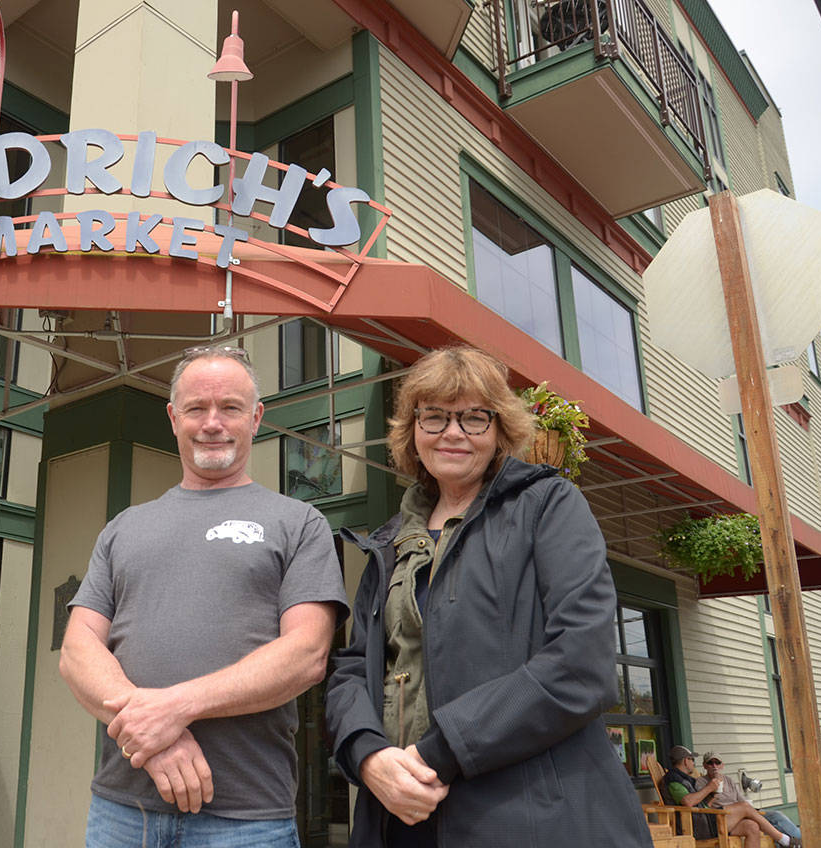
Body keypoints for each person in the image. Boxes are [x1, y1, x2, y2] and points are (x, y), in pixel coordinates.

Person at [325, 345, 652, 847]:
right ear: (413, 430)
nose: (452, 432)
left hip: (525, 819)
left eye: (474, 418)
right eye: (434, 417)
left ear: (500, 430)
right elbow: (351, 668)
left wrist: (439, 752)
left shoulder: (548, 506)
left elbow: (581, 663)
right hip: (398, 818)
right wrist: (368, 757)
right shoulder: (390, 542)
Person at [59, 345, 349, 847]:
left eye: (230, 408)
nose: (212, 422)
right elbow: (76, 650)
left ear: (256, 418)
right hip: (122, 814)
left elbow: (306, 655)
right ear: (174, 418)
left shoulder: (299, 524)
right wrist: (155, 737)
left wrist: (174, 709)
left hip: (247, 819)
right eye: (196, 408)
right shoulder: (123, 528)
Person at [662, 746, 800, 848]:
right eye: (692, 760)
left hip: (708, 819)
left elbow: (702, 804)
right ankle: (785, 840)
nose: (693, 763)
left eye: (717, 763)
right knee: (746, 807)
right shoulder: (674, 779)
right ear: (686, 761)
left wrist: (713, 795)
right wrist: (709, 787)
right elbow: (688, 802)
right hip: (701, 826)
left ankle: (789, 840)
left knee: (751, 826)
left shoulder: (686, 779)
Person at [699, 751, 802, 843]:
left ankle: (800, 840)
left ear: (722, 765)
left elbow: (741, 800)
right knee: (762, 825)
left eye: (717, 763)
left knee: (775, 816)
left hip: (744, 812)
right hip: (724, 817)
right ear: (704, 765)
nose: (714, 766)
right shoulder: (701, 782)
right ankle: (793, 842)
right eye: (710, 763)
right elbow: (705, 806)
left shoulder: (728, 780)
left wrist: (752, 811)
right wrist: (712, 790)